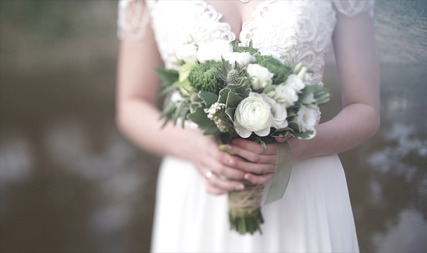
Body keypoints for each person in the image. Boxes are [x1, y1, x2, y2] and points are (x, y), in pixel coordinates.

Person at [116, 0, 379, 252]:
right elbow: (132, 104)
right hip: (200, 185)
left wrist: (298, 148)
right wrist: (194, 146)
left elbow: (365, 109)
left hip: (303, 186)